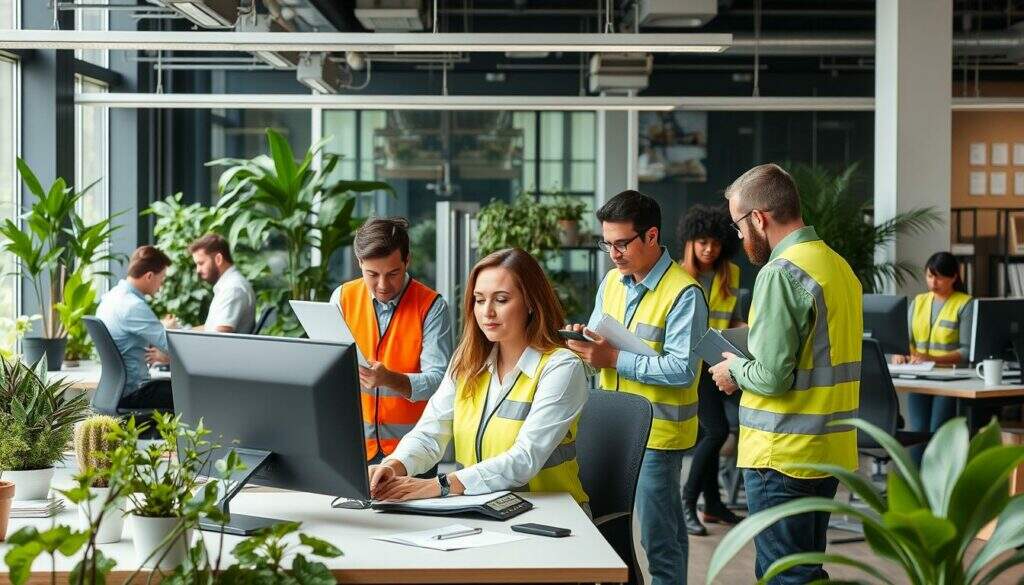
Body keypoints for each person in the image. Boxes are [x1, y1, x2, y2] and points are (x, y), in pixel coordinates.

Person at [708, 164, 861, 585]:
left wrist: (733, 369)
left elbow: (773, 376)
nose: (738, 237)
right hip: (829, 452)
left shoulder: (780, 272)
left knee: (784, 575)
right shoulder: (837, 267)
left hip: (783, 455)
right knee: (806, 572)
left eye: (739, 224)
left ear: (758, 218)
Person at [367, 248, 589, 508]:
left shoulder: (561, 367)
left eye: (502, 300)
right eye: (479, 300)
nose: (487, 312)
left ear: (531, 302)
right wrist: (395, 465)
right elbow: (430, 433)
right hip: (483, 510)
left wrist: (439, 485)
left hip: (551, 516)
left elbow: (524, 458)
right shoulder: (467, 362)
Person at [565, 190, 707, 585]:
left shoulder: (684, 293)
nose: (613, 253)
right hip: (610, 428)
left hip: (659, 435)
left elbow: (682, 369)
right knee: (612, 530)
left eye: (622, 243)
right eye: (607, 243)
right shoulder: (612, 281)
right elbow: (600, 344)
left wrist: (612, 359)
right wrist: (585, 346)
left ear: (651, 236)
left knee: (660, 541)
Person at [329, 217, 452, 467]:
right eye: (372, 274)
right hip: (354, 449)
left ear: (408, 260)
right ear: (359, 262)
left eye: (393, 273)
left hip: (412, 453)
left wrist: (389, 379)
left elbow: (439, 382)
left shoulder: (432, 307)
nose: (383, 285)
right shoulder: (341, 299)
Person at [677, 204, 745, 536]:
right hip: (691, 366)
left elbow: (728, 319)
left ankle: (713, 505)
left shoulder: (730, 274)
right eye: (702, 241)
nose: (709, 249)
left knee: (713, 433)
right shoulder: (676, 277)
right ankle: (688, 502)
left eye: (716, 243)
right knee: (716, 432)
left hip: (721, 363)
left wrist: (747, 330)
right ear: (689, 241)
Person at [894, 251, 973, 434]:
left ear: (954, 277)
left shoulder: (964, 304)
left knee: (938, 432)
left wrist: (930, 358)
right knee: (918, 432)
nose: (933, 283)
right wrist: (900, 353)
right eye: (930, 276)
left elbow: (967, 352)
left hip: (949, 381)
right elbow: (905, 341)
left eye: (939, 278)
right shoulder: (919, 302)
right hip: (918, 379)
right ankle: (913, 465)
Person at [95, 245, 175, 410]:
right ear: (149, 276)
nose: (161, 285)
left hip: (113, 392)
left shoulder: (109, 298)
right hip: (134, 394)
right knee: (191, 394)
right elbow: (173, 347)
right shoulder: (134, 306)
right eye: (162, 278)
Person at [189, 233, 256, 333]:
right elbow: (209, 329)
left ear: (218, 259)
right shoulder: (228, 285)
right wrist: (179, 330)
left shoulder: (233, 288)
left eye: (201, 263)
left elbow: (219, 338)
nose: (198, 270)